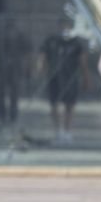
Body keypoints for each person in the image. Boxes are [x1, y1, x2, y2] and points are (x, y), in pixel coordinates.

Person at [42, 16, 84, 144]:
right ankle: (58, 130)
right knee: (54, 105)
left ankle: (67, 131)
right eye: (62, 26)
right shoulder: (52, 41)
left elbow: (83, 60)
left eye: (67, 26)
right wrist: (42, 71)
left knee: (69, 105)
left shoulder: (76, 42)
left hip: (70, 77)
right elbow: (42, 57)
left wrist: (86, 77)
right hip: (54, 77)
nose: (65, 29)